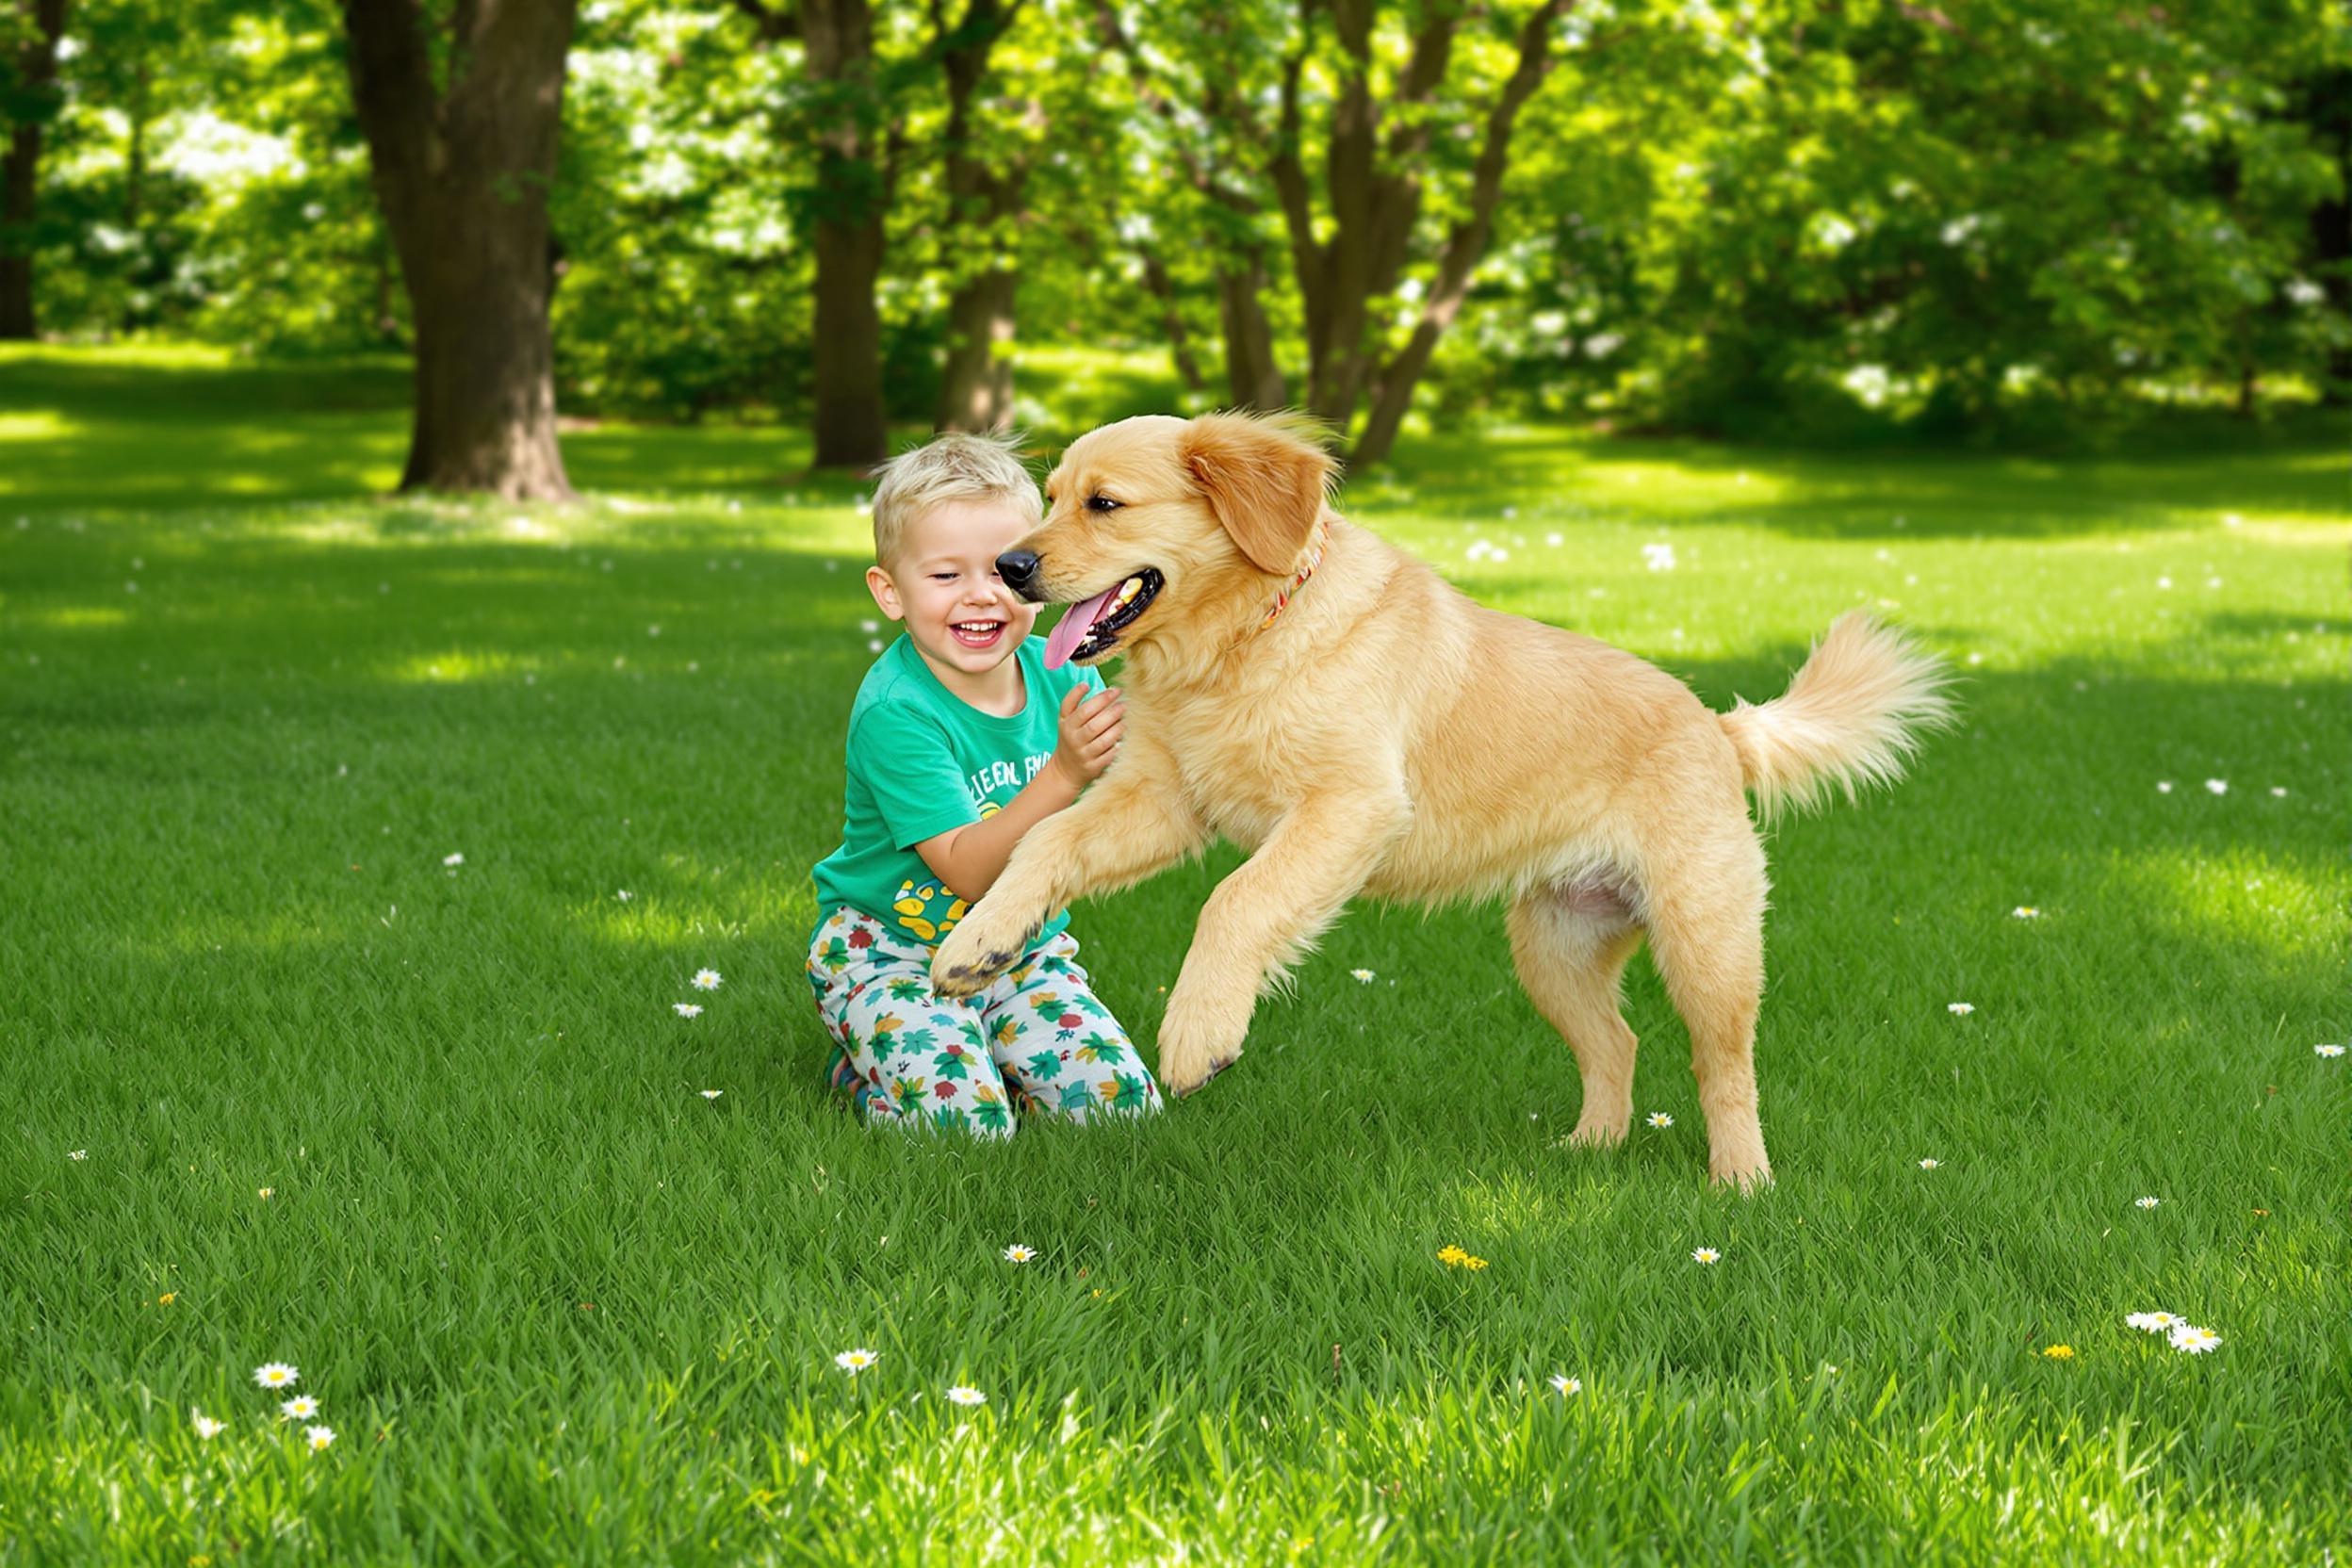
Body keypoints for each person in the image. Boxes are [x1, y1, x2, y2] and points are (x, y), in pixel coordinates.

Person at [806, 433, 1164, 1135]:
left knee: (1120, 1111)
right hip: (892, 956)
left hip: (1021, 951)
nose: (981, 597)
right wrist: (1063, 774)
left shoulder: (1063, 670)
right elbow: (968, 873)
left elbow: (1143, 782)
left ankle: (992, 1053)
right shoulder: (897, 712)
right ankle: (867, 1069)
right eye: (945, 577)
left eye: (1003, 571)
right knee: (969, 1128)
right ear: (889, 593)